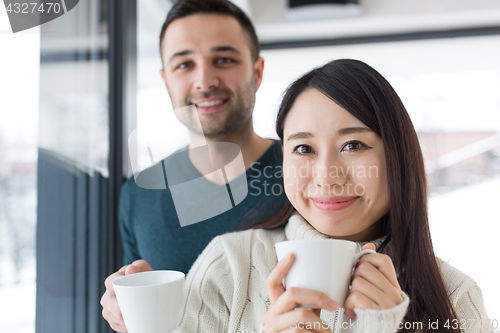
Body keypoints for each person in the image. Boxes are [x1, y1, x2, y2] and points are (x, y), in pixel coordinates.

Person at [172, 59, 493, 333]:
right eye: (303, 149)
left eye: (352, 145)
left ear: (397, 155)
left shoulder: (457, 298)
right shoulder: (229, 265)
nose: (326, 175)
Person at [101, 1, 287, 331]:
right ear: (166, 80)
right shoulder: (138, 195)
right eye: (184, 64)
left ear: (257, 72)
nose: (204, 80)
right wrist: (122, 314)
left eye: (224, 59)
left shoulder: (308, 173)